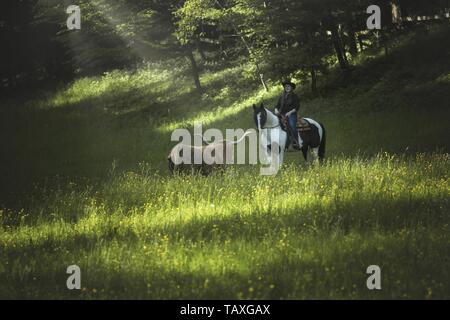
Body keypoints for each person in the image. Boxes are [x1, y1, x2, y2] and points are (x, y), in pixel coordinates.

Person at [274, 79, 301, 149]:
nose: (287, 88)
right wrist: (276, 110)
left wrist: (290, 112)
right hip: (282, 114)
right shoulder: (281, 97)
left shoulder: (295, 96)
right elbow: (277, 106)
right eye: (286, 86)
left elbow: (297, 106)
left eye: (288, 86)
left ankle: (298, 141)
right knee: (276, 125)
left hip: (291, 114)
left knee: (292, 126)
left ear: (291, 87)